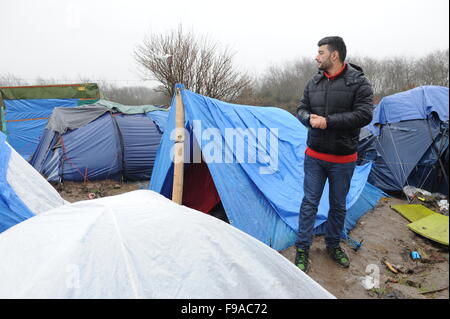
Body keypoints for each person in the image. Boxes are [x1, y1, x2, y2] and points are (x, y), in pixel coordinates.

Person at [295, 36, 373, 272]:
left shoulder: (359, 82)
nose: (316, 56)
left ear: (334, 55)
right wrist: (308, 118)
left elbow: (365, 115)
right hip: (315, 157)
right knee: (309, 203)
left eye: (320, 52)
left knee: (338, 205)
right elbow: (300, 108)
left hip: (343, 160)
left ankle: (333, 246)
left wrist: (328, 122)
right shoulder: (313, 82)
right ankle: (302, 249)